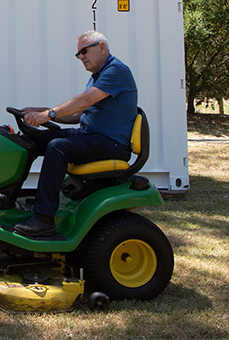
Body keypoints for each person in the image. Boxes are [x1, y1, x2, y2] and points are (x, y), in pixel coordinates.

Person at [13, 30, 138, 238]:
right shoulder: (97, 76)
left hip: (111, 143)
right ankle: (9, 200)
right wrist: (43, 112)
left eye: (84, 51)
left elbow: (85, 101)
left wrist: (48, 114)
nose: (81, 57)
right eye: (78, 54)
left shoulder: (116, 71)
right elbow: (80, 114)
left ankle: (44, 219)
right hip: (90, 136)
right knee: (30, 141)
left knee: (58, 148)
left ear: (101, 47)